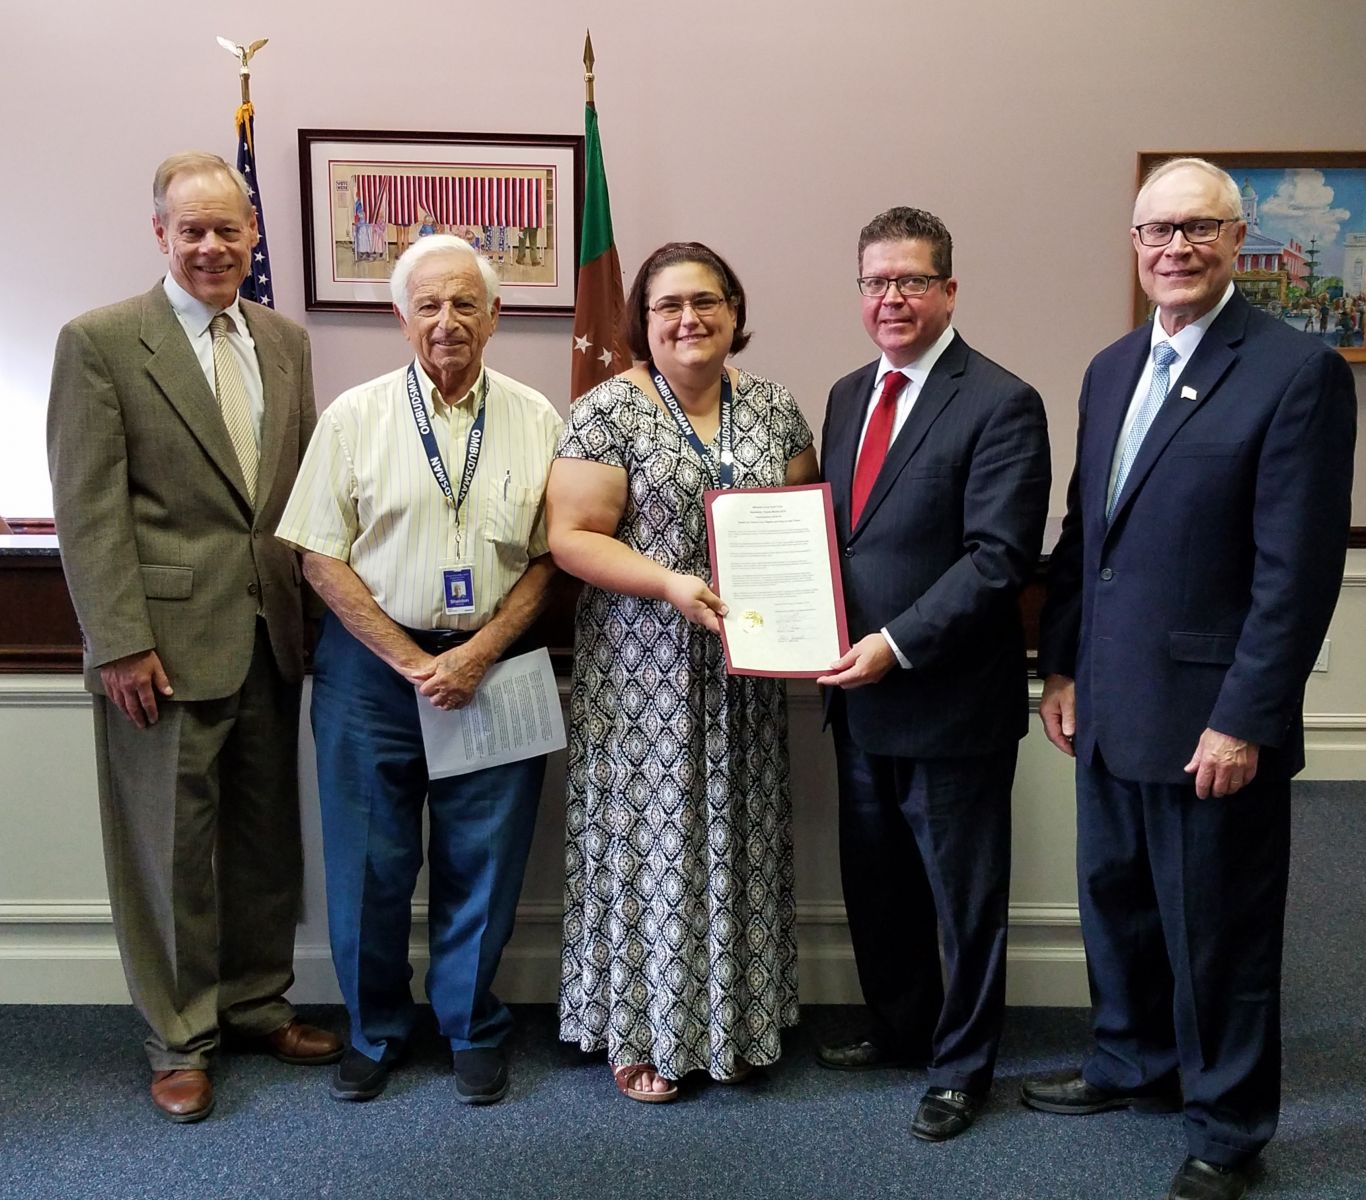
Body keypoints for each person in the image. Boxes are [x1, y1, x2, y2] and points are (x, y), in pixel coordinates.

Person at [1023, 158, 1356, 1200]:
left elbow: (1294, 572)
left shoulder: (1295, 370)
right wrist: (1062, 667)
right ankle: (1133, 1061)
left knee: (1219, 933)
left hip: (1213, 720)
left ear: (1235, 239)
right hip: (1111, 702)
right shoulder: (1110, 367)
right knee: (1116, 903)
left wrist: (1244, 719)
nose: (1176, 248)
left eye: (1198, 229)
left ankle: (1225, 1126)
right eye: (1156, 231)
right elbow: (1089, 539)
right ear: (1133, 245)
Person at [46, 151, 339, 1123]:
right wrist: (117, 640)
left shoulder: (286, 342)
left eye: (229, 229)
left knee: (263, 840)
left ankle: (257, 1003)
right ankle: (179, 1036)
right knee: (168, 849)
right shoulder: (100, 341)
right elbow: (88, 508)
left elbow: (293, 496)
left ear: (254, 236)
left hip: (271, 632)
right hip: (158, 649)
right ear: (160, 234)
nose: (213, 246)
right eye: (193, 230)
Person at [275, 234, 562, 1106]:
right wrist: (409, 660)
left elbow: (553, 557)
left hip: (496, 662)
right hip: (372, 673)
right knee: (368, 862)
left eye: (465, 304)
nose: (447, 322)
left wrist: (476, 654)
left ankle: (470, 1025)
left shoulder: (539, 418)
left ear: (495, 316)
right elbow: (319, 558)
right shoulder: (353, 418)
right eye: (428, 306)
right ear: (401, 319)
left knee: (486, 858)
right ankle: (375, 1029)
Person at [546, 241, 817, 1103]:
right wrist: (670, 583)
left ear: (735, 311)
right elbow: (573, 537)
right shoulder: (606, 412)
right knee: (650, 846)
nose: (688, 319)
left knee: (737, 832)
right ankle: (643, 1031)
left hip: (747, 674)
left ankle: (737, 1023)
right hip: (642, 674)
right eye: (668, 306)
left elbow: (801, 528)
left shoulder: (776, 407)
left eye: (706, 302)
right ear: (643, 320)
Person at [813, 207, 1050, 1141]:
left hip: (947, 700)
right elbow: (841, 538)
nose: (892, 298)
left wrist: (894, 644)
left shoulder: (1000, 400)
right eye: (876, 281)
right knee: (879, 887)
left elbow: (997, 560)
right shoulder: (842, 395)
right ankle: (902, 1029)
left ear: (950, 289)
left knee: (964, 900)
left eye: (912, 280)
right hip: (856, 700)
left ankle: (960, 1068)